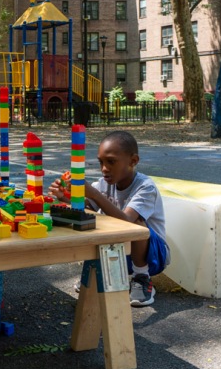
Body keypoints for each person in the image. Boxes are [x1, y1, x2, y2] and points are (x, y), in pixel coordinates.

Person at [49, 130, 169, 307]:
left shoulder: (145, 187)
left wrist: (96, 194)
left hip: (152, 254)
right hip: (121, 250)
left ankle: (142, 278)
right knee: (91, 220)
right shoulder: (104, 184)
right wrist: (65, 198)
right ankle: (96, 275)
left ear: (133, 161)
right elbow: (88, 209)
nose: (104, 168)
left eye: (111, 161)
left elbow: (128, 221)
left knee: (135, 223)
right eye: (101, 162)